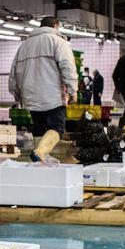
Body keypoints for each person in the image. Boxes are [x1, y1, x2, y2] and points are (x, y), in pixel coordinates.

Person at [9, 15, 77, 163]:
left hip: (30, 96)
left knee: (39, 128)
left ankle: (40, 160)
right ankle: (40, 152)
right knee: (57, 127)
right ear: (55, 26)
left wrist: (16, 93)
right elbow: (68, 67)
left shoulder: (24, 45)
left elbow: (14, 71)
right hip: (52, 95)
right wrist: (73, 90)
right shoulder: (58, 41)